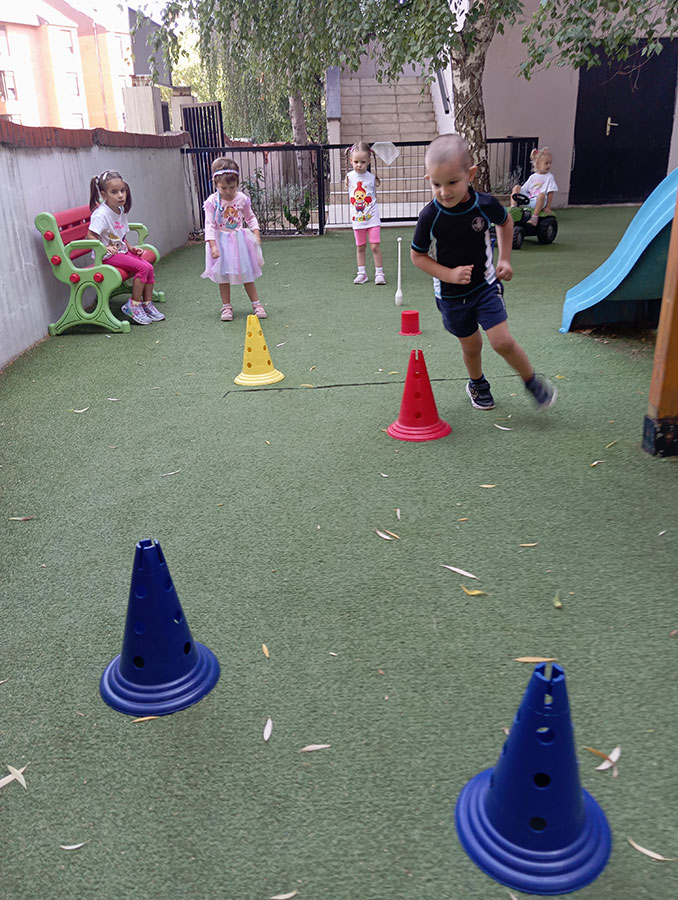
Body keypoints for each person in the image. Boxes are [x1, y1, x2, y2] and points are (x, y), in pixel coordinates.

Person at [410, 134, 557, 411]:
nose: (444, 191)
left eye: (452, 182)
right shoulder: (430, 216)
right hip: (451, 296)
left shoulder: (483, 204)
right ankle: (477, 383)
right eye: (436, 184)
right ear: (428, 178)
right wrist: (448, 274)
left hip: (485, 286)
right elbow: (417, 256)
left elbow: (505, 222)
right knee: (472, 346)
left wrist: (505, 259)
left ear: (470, 174)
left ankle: (531, 382)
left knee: (502, 341)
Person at [88, 170, 164, 325]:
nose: (120, 195)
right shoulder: (101, 215)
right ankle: (133, 306)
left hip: (120, 252)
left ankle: (147, 304)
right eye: (114, 192)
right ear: (104, 195)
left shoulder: (120, 210)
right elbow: (90, 235)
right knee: (142, 268)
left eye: (123, 191)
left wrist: (131, 248)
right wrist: (104, 247)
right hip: (106, 257)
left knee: (148, 267)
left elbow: (120, 236)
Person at [202, 157, 266, 321]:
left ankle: (256, 304)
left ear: (237, 183)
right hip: (220, 242)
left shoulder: (242, 199)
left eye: (232, 187)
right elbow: (209, 225)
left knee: (246, 273)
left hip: (239, 242)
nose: (228, 191)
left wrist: (256, 233)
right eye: (223, 188)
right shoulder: (212, 202)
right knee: (223, 275)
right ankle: (226, 307)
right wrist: (212, 245)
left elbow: (250, 217)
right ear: (216, 184)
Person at [345, 141, 386, 285]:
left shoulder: (371, 178)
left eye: (363, 162)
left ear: (368, 161)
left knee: (375, 246)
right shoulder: (349, 177)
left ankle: (379, 273)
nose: (359, 165)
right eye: (356, 162)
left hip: (372, 219)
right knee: (360, 247)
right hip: (358, 220)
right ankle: (362, 273)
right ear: (351, 161)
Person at [510, 147, 558, 226]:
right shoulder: (533, 177)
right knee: (516, 187)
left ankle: (534, 217)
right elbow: (524, 189)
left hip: (539, 201)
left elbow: (550, 193)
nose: (549, 165)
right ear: (538, 165)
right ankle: (513, 207)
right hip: (529, 198)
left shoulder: (550, 177)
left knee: (541, 195)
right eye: (546, 163)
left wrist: (548, 207)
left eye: (550, 163)